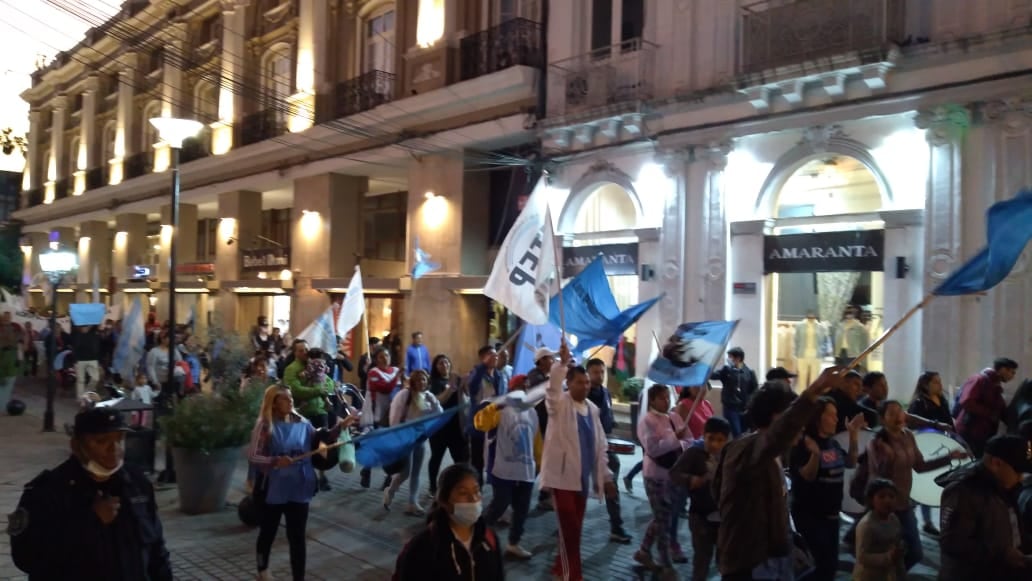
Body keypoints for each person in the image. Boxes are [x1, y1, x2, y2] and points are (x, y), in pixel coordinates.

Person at [8, 408, 173, 580]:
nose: (114, 449)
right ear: (76, 446)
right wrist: (90, 521)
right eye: (102, 441)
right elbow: (26, 557)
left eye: (119, 439)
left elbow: (156, 551)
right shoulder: (47, 491)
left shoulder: (136, 482)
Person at [713, 368, 840, 580]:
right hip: (747, 565)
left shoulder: (773, 456)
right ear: (777, 417)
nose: (802, 427)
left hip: (772, 564)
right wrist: (814, 390)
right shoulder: (745, 449)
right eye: (796, 418)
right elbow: (777, 435)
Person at [248, 385, 352, 581]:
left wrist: (341, 427)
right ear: (274, 403)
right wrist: (275, 461)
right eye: (285, 398)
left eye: (291, 397)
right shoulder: (264, 426)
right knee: (268, 532)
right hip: (272, 490)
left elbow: (320, 438)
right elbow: (253, 456)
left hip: (299, 487)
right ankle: (262, 570)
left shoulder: (303, 422)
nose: (291, 401)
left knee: (297, 537)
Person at [540, 342, 617, 581]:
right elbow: (552, 389)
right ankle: (571, 575)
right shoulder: (559, 404)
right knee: (570, 528)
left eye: (586, 383)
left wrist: (606, 477)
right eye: (579, 382)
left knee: (574, 530)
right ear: (569, 383)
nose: (584, 386)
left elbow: (600, 446)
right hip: (561, 478)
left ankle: (559, 567)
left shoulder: (592, 409)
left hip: (582, 481)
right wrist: (562, 364)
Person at [866, 400, 966, 571]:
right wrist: (887, 458)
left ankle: (893, 574)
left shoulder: (908, 436)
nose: (898, 416)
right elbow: (878, 478)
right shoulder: (877, 442)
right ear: (882, 419)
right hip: (884, 507)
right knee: (884, 552)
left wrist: (949, 457)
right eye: (892, 413)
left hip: (904, 503)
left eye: (900, 412)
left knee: (914, 552)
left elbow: (920, 466)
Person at [788, 396, 866, 581]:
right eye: (831, 415)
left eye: (836, 415)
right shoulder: (804, 444)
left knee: (830, 567)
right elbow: (807, 476)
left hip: (831, 516)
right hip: (810, 516)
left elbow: (850, 462)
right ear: (817, 418)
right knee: (816, 567)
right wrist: (815, 455)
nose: (836, 419)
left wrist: (853, 434)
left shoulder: (833, 443)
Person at [939, 434, 1032, 580]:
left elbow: (1013, 527)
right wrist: (1002, 554)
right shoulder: (963, 491)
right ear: (996, 463)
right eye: (1018, 471)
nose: (1021, 477)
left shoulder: (1006, 486)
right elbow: (952, 543)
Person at [394, 464, 505, 580]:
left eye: (476, 491)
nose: (473, 499)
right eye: (463, 493)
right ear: (444, 501)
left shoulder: (489, 538)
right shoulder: (423, 548)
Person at [475, 373, 541, 559]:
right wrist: (495, 407)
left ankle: (514, 543)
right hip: (503, 468)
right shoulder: (500, 409)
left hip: (525, 470)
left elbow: (536, 439)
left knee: (522, 509)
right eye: (521, 386)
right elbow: (480, 423)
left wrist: (539, 461)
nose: (524, 389)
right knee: (499, 504)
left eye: (527, 386)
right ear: (512, 389)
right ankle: (476, 534)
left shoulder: (532, 412)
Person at [635, 384, 689, 577]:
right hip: (655, 476)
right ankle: (665, 564)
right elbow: (653, 449)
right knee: (663, 521)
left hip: (673, 475)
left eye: (667, 397)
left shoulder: (674, 417)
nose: (666, 401)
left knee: (662, 518)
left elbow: (689, 440)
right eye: (661, 398)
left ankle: (644, 550)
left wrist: (682, 441)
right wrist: (675, 438)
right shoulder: (646, 421)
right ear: (652, 400)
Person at [670, 416, 732, 581]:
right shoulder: (694, 453)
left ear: (727, 440)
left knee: (725, 560)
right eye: (711, 439)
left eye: (720, 440)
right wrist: (691, 480)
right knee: (702, 560)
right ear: (704, 435)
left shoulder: (730, 455)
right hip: (700, 516)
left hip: (724, 518)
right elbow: (674, 473)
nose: (715, 444)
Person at [585, 357, 631, 544]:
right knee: (577, 489)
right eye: (595, 372)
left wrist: (611, 423)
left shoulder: (605, 393)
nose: (600, 375)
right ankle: (566, 526)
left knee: (612, 484)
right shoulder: (582, 394)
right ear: (588, 373)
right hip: (584, 449)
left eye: (602, 372)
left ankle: (616, 528)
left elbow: (607, 416)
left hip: (604, 447)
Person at [385, 369, 442, 515]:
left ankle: (412, 502)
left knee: (416, 472)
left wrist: (433, 401)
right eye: (418, 380)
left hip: (420, 438)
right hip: (405, 438)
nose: (421, 382)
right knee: (405, 472)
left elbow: (439, 414)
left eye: (423, 379)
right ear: (413, 382)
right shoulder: (405, 395)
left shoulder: (428, 396)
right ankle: (391, 491)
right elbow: (395, 416)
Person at [906, 370, 955, 535]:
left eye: (940, 381)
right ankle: (919, 518)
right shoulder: (919, 403)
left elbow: (949, 421)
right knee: (923, 483)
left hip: (941, 445)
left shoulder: (942, 400)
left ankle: (932, 521)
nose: (939, 385)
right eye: (935, 382)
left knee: (937, 483)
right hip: (926, 446)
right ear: (925, 385)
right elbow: (914, 425)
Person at [283, 342, 337, 491]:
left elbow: (329, 383)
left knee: (323, 444)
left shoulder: (317, 364)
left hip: (320, 410)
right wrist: (319, 391)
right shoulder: (291, 369)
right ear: (295, 353)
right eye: (301, 350)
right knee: (303, 445)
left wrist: (325, 389)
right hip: (303, 413)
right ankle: (306, 475)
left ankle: (322, 474)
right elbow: (295, 390)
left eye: (306, 349)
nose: (305, 352)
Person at [956, 357, 1019, 458]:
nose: (1013, 377)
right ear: (1003, 369)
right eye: (1012, 372)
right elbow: (966, 401)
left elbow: (1001, 411)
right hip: (970, 433)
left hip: (983, 435)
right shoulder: (979, 379)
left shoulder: (995, 386)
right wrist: (990, 413)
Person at [426, 354, 469, 496]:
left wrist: (466, 383)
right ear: (436, 367)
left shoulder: (455, 379)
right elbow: (439, 401)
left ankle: (459, 484)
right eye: (440, 363)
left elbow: (467, 395)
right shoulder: (434, 383)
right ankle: (433, 486)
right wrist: (450, 388)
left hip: (456, 427)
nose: (444, 365)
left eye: (446, 362)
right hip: (439, 429)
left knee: (460, 459)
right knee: (436, 457)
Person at [852, 478, 906, 581]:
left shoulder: (894, 519)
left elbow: (896, 544)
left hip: (887, 573)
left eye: (891, 496)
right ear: (871, 500)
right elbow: (862, 557)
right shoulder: (867, 525)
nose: (887, 500)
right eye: (881, 496)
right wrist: (888, 557)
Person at [466, 345, 504, 484]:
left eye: (496, 354)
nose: (495, 357)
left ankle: (495, 485)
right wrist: (482, 366)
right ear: (483, 358)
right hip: (479, 423)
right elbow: (472, 388)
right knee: (477, 459)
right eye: (491, 354)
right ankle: (477, 486)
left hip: (495, 423)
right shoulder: (475, 374)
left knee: (494, 456)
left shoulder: (499, 375)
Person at [711, 346, 759, 437]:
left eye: (730, 357)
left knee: (744, 433)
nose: (729, 359)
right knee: (737, 433)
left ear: (738, 358)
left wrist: (749, 403)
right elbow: (713, 375)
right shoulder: (726, 370)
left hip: (744, 409)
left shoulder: (749, 372)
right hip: (730, 408)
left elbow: (755, 390)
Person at [366, 346, 403, 427]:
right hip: (380, 412)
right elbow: (385, 389)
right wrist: (397, 377)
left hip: (395, 409)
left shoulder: (396, 370)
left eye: (387, 355)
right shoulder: (373, 373)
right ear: (376, 360)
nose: (385, 359)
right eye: (381, 357)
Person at [794, 312, 830, 389]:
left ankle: (812, 394)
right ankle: (802, 394)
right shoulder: (799, 326)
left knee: (815, 378)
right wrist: (796, 353)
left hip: (816, 355)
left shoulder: (821, 327)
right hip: (802, 354)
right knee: (802, 378)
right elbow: (796, 340)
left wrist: (822, 352)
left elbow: (825, 341)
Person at [72, 324, 102, 397]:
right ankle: (81, 398)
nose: (84, 328)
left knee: (95, 378)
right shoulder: (77, 335)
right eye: (83, 327)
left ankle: (86, 393)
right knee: (80, 380)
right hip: (80, 360)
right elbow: (75, 349)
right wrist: (74, 361)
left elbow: (98, 348)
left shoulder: (94, 335)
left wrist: (99, 361)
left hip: (92, 359)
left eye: (86, 326)